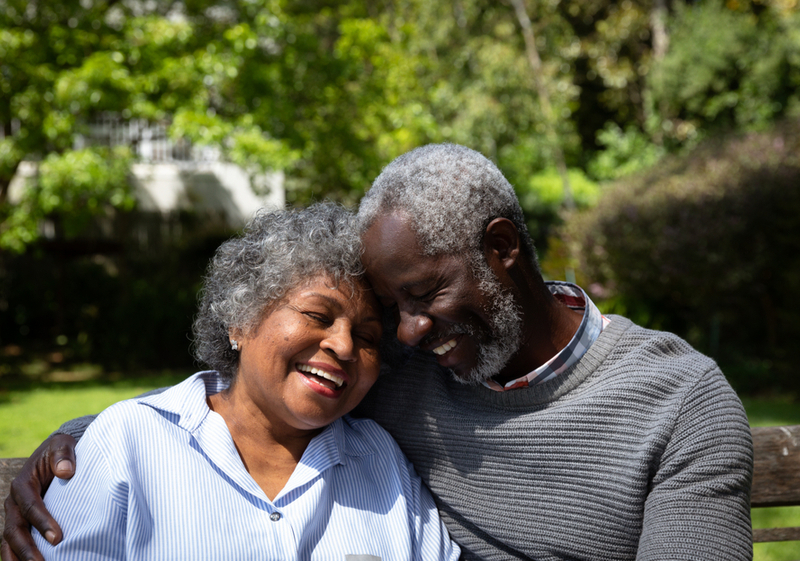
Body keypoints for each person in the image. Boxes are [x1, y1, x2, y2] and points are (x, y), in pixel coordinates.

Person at [3, 144, 753, 561]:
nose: (403, 335)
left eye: (422, 296)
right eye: (390, 311)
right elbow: (250, 393)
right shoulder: (405, 371)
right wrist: (81, 444)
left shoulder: (679, 400)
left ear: (501, 250)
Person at [13, 203, 460, 561]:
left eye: (367, 337)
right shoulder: (129, 442)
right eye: (316, 315)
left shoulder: (381, 460)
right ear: (241, 322)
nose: (344, 346)